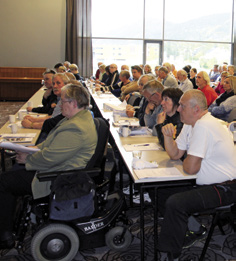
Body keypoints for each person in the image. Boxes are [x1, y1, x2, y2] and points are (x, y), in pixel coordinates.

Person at [0, 83, 98, 249]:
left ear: (74, 103)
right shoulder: (78, 119)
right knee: (9, 177)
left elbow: (51, 158)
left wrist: (27, 160)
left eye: (63, 101)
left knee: (3, 183)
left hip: (57, 176)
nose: (60, 104)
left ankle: (4, 235)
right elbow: (53, 146)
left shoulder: (76, 127)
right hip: (56, 167)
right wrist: (34, 149)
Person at [156, 89, 236, 260]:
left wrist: (188, 160)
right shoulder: (190, 123)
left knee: (176, 203)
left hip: (225, 188)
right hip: (207, 184)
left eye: (182, 106)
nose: (178, 110)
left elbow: (190, 168)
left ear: (196, 109)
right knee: (160, 189)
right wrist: (168, 137)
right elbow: (176, 155)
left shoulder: (204, 125)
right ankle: (195, 229)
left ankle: (172, 254)